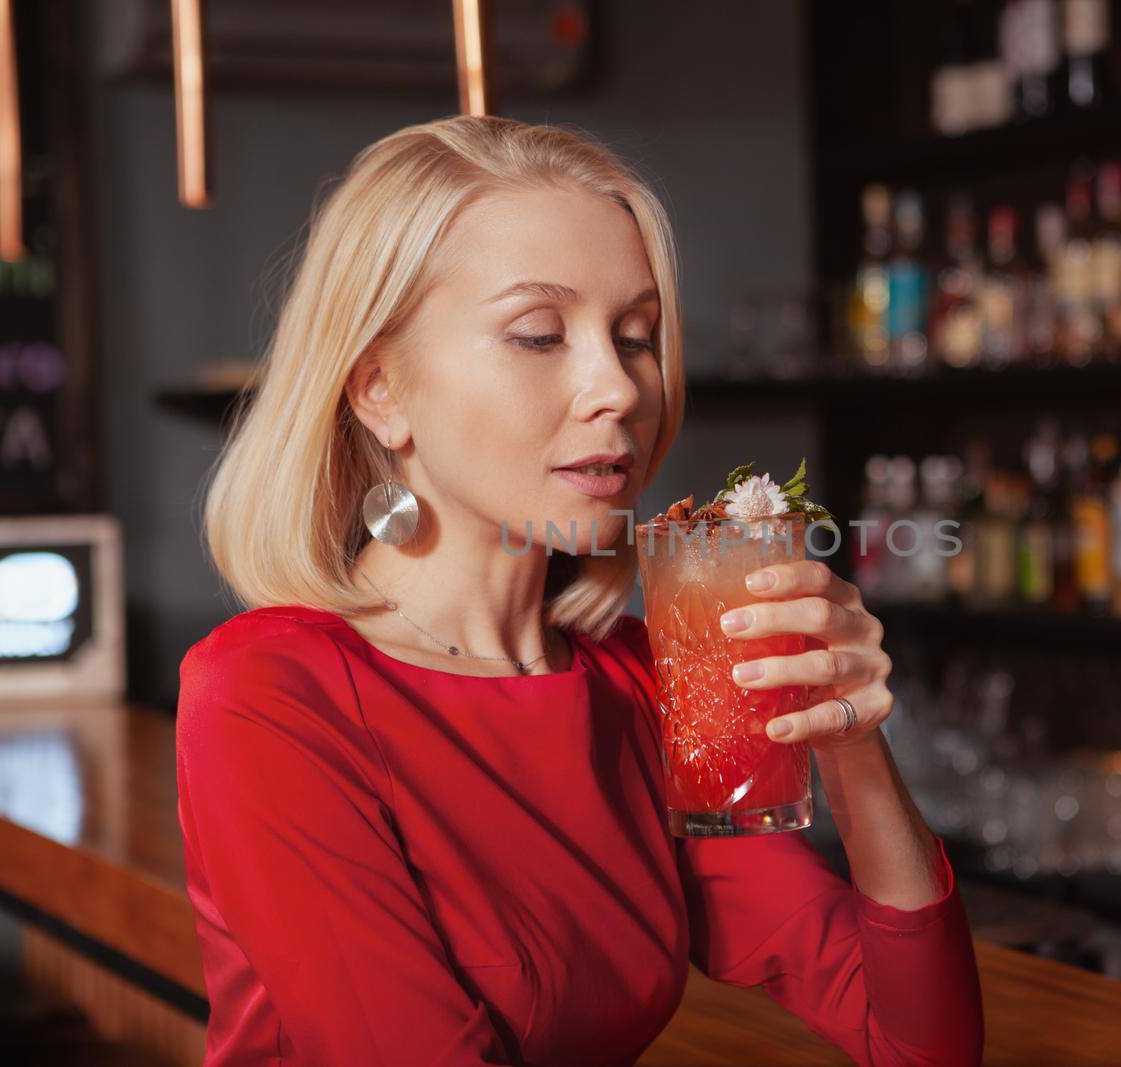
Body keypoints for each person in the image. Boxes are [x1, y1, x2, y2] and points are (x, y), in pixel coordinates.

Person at [178, 114, 983, 1066]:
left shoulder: (639, 687)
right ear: (379, 390)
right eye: (538, 335)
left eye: (636, 336)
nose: (620, 387)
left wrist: (848, 739)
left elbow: (919, 1044)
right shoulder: (271, 695)